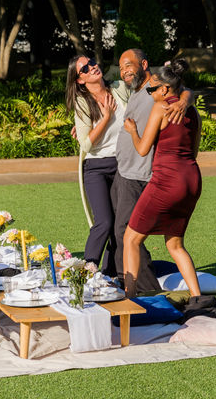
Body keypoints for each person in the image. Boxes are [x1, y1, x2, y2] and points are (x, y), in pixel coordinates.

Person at [111, 49, 193, 294]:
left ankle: (143, 290)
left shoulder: (156, 88)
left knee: (129, 233)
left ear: (144, 64)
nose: (124, 71)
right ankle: (124, 280)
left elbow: (186, 90)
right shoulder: (137, 90)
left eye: (129, 65)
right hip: (124, 171)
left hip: (140, 175)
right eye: (121, 67)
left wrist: (184, 100)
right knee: (122, 231)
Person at [66, 55, 130, 275]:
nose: (92, 66)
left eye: (92, 61)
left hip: (123, 164)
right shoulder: (83, 102)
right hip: (96, 167)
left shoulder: (119, 89)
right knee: (103, 221)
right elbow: (87, 144)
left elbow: (146, 98)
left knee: (120, 224)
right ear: (80, 80)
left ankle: (113, 274)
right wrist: (105, 117)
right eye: (85, 68)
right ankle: (87, 270)